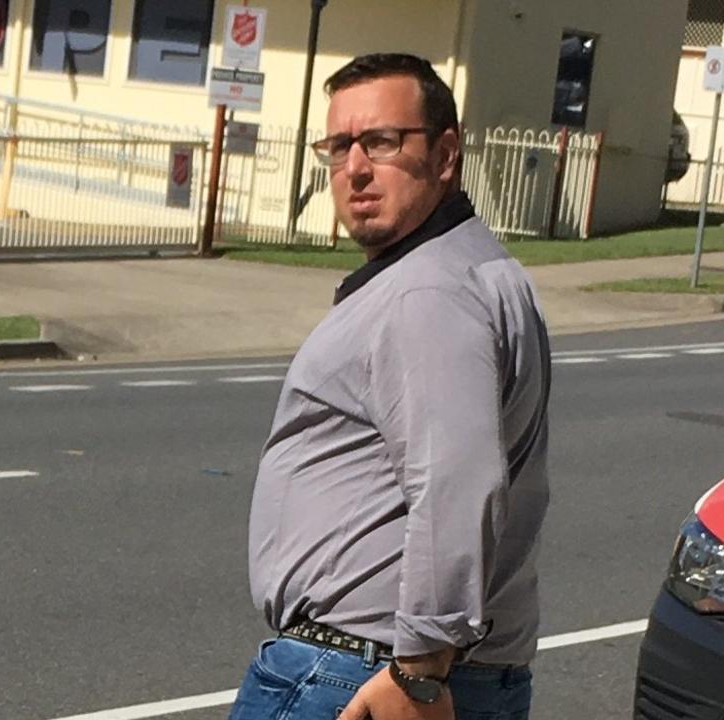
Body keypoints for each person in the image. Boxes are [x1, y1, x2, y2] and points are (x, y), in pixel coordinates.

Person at [228, 54, 550, 720]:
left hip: (360, 675)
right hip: (441, 671)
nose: (355, 168)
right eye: (339, 146)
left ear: (446, 153)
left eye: (381, 142)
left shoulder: (427, 290)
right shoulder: (481, 267)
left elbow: (458, 478)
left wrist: (420, 672)